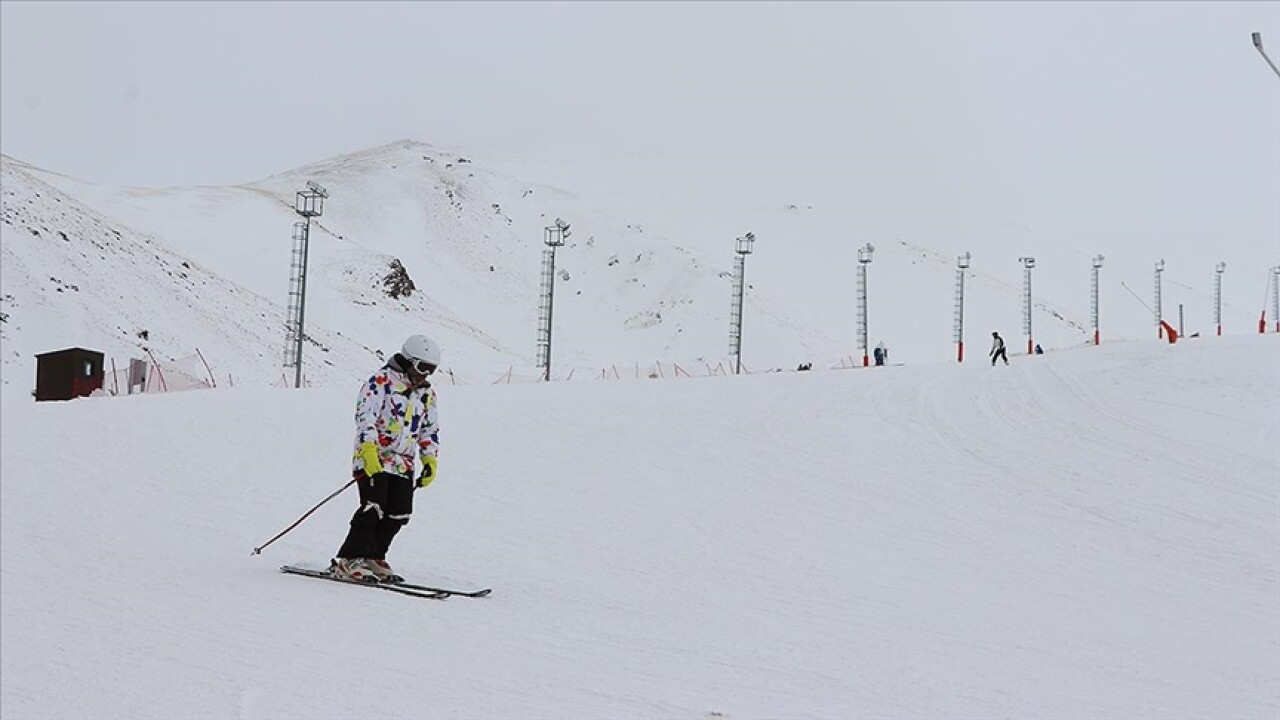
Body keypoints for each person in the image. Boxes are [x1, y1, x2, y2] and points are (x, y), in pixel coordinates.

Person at [331, 334, 442, 583]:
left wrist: (429, 460)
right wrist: (368, 450)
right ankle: (350, 559)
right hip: (375, 456)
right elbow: (365, 417)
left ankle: (374, 555)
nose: (426, 375)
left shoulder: (426, 393)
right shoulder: (380, 382)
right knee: (374, 507)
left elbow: (429, 428)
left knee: (399, 513)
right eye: (423, 367)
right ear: (409, 361)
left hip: (404, 461)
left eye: (431, 370)